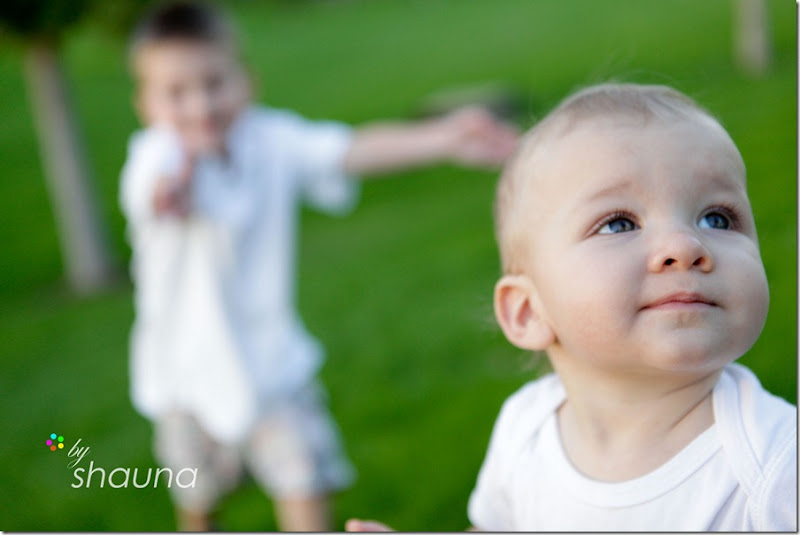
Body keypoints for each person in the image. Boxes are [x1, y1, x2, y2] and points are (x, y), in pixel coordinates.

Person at [119, 1, 518, 531]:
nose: (200, 105)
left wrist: (442, 138)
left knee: (305, 485)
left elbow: (350, 150)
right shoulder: (154, 157)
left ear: (246, 81)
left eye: (214, 83)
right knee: (199, 503)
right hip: (186, 382)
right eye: (176, 93)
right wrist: (171, 190)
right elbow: (157, 194)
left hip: (274, 370)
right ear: (145, 104)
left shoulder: (270, 140)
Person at [346, 83, 797, 532]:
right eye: (618, 224)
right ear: (528, 312)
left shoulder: (776, 468)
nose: (686, 245)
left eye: (717, 218)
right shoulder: (526, 430)